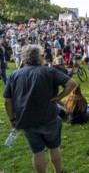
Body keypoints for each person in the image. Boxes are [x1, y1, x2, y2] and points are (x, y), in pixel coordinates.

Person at [4, 44, 77, 173]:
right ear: (39, 57)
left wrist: (12, 119)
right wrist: (59, 96)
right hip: (49, 118)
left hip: (26, 120)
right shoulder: (49, 71)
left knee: (37, 152)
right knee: (54, 148)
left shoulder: (14, 75)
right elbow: (72, 84)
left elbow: (7, 101)